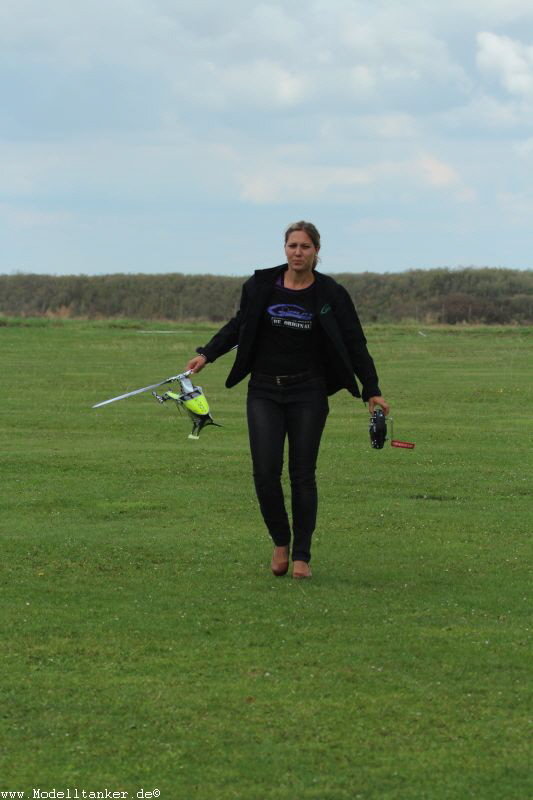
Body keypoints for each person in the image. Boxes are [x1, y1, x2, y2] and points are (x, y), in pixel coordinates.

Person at [186, 221, 389, 579]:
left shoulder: (331, 293)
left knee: (302, 474)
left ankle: (301, 555)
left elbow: (355, 342)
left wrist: (371, 389)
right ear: (284, 249)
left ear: (316, 252)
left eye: (305, 247)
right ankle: (280, 540)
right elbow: (238, 326)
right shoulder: (261, 285)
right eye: (293, 245)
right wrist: (207, 355)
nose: (298, 252)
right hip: (264, 389)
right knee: (265, 473)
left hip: (308, 391)